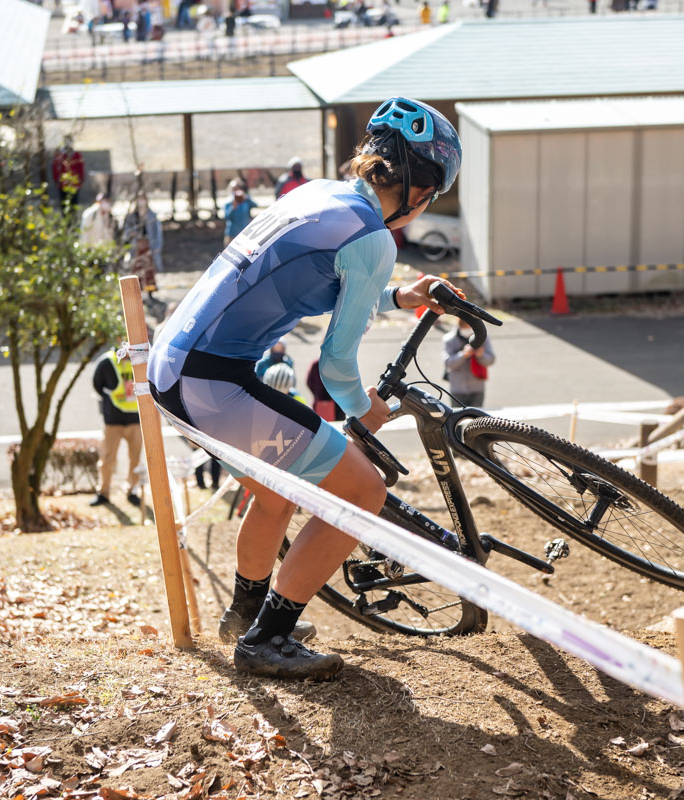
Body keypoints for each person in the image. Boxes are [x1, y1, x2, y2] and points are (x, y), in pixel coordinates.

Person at [148, 96, 462, 680]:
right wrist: (365, 408)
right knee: (361, 491)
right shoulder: (374, 238)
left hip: (180, 364)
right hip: (211, 381)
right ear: (419, 186)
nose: (428, 204)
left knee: (277, 491)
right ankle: (267, 639)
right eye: (434, 192)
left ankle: (245, 616)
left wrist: (396, 296)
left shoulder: (319, 193)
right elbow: (337, 363)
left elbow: (307, 282)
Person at [89, 348, 143, 508]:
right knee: (107, 459)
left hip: (135, 419)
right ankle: (103, 493)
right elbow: (97, 385)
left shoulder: (141, 359)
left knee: (135, 459)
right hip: (113, 420)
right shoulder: (108, 362)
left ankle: (132, 491)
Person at [443, 320, 495, 407]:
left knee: (477, 419)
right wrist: (463, 355)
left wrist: (481, 355)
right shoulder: (449, 339)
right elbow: (448, 363)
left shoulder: (483, 338)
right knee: (458, 419)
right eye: (465, 328)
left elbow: (491, 360)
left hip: (477, 388)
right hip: (457, 389)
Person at [51, 136, 86, 213]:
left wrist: (81, 180)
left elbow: (81, 168)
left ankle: (73, 220)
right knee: (64, 205)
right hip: (63, 185)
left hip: (74, 184)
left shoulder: (77, 155)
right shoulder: (60, 156)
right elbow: (55, 168)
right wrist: (56, 180)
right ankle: (66, 222)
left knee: (74, 204)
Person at [222, 179, 258, 246]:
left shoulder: (245, 200)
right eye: (234, 189)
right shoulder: (229, 202)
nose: (236, 190)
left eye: (238, 188)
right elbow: (227, 217)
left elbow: (255, 205)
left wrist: (247, 198)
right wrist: (233, 207)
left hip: (244, 233)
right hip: (232, 234)